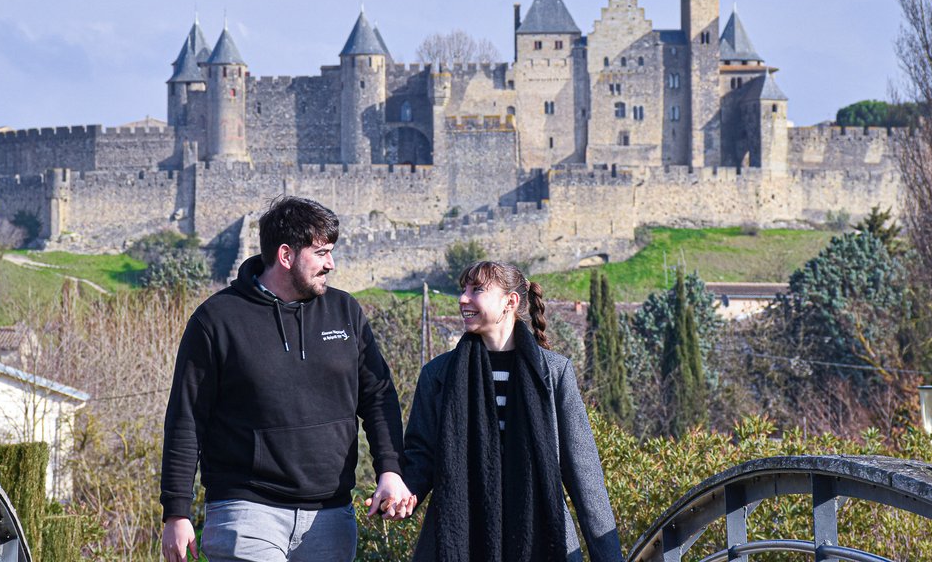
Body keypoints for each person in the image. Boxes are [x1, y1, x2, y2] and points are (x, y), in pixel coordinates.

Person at [160, 196, 415, 562]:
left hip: (331, 516)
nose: (332, 263)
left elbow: (377, 397)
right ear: (285, 256)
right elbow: (186, 419)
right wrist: (177, 510)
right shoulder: (216, 320)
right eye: (322, 252)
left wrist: (390, 471)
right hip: (245, 512)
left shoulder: (346, 312)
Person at [402, 261, 623, 562]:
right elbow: (420, 457)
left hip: (542, 538)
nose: (463, 299)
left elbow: (585, 476)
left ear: (510, 301)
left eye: (477, 290)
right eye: (463, 290)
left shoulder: (554, 374)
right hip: (463, 535)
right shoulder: (438, 375)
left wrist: (608, 557)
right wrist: (401, 495)